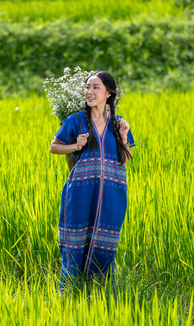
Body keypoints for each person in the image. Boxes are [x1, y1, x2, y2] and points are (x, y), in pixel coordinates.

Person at [49, 71, 136, 292]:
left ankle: (99, 292)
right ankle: (68, 293)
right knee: (75, 242)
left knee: (105, 244)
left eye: (95, 87)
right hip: (80, 192)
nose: (89, 92)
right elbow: (54, 147)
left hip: (112, 194)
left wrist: (124, 138)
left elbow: (125, 159)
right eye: (87, 87)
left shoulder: (119, 124)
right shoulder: (75, 120)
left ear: (108, 93)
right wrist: (76, 146)